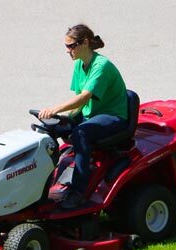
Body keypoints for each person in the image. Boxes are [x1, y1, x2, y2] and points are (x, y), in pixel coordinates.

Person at [38, 24, 128, 209]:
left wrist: (55, 109)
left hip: (112, 116)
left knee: (81, 133)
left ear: (85, 43)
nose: (68, 51)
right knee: (51, 128)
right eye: (66, 46)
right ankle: (41, 188)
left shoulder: (101, 66)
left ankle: (79, 192)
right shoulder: (79, 64)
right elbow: (78, 103)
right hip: (91, 113)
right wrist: (61, 120)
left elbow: (84, 97)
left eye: (71, 46)